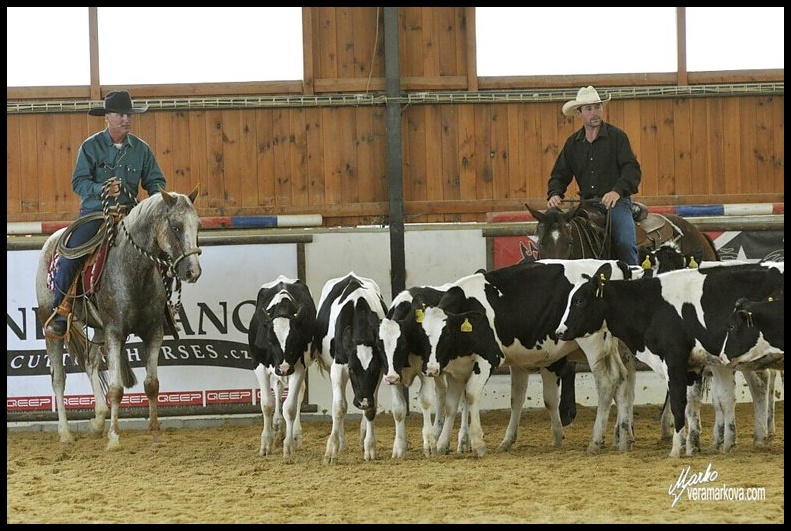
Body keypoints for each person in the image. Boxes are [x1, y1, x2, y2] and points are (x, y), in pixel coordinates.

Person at [46, 90, 167, 336]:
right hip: (95, 215)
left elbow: (155, 183)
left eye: (128, 115)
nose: (126, 119)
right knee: (72, 255)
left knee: (163, 254)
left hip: (130, 218)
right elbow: (78, 182)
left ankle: (162, 311)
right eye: (121, 115)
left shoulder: (142, 150)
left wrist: (159, 202)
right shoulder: (90, 147)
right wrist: (101, 188)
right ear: (108, 117)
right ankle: (62, 308)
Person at [546, 86, 642, 265]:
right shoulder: (573, 144)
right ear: (579, 114)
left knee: (624, 243)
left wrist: (616, 191)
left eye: (597, 107)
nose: (594, 112)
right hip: (586, 206)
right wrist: (555, 193)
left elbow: (631, 168)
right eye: (589, 109)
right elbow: (559, 173)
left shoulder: (617, 137)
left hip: (616, 203)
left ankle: (634, 278)